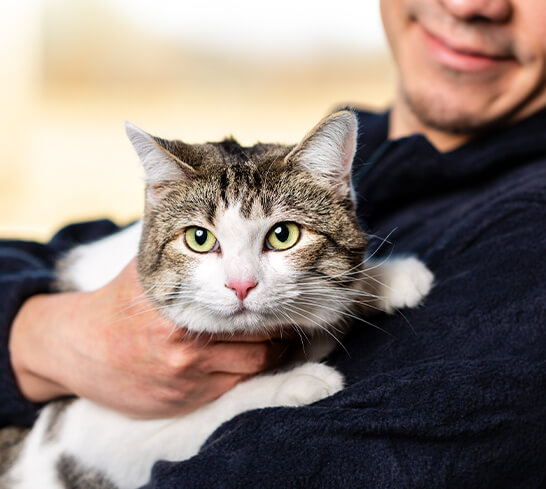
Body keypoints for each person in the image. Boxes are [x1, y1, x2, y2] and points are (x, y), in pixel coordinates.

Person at [2, 0, 545, 487]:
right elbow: (40, 254)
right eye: (200, 238)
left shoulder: (528, 233)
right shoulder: (340, 152)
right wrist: (42, 338)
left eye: (281, 235)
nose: (469, 4)